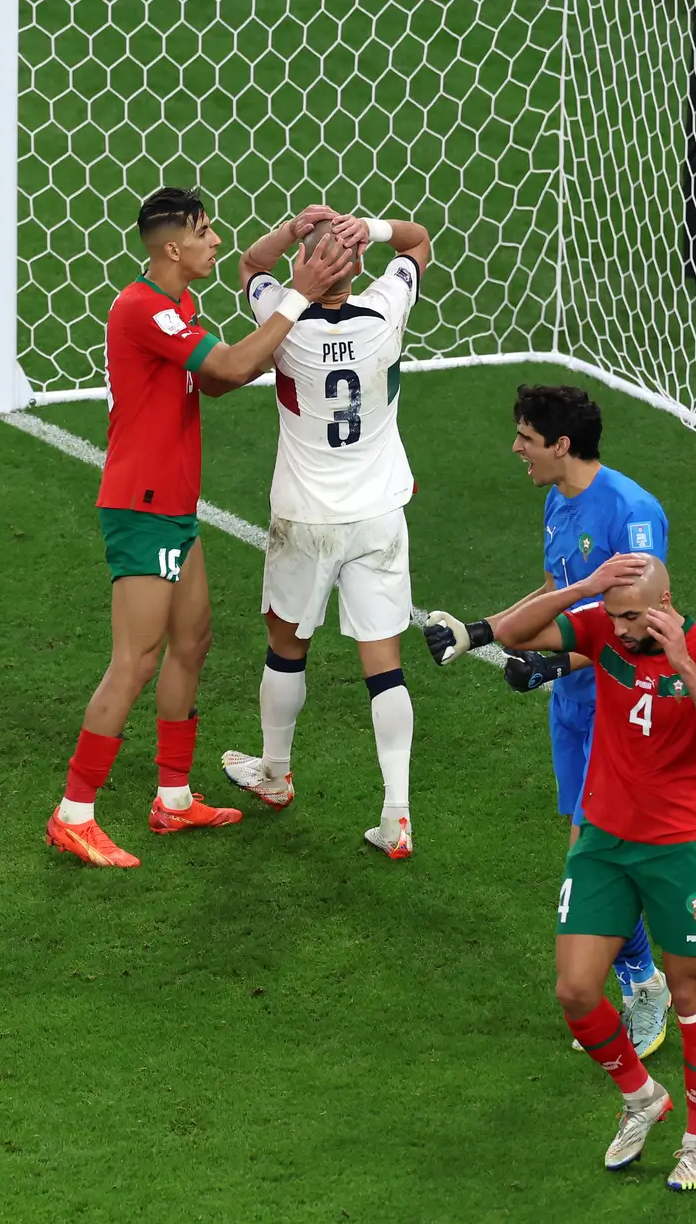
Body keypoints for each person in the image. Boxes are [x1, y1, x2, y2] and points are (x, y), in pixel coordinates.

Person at [45, 188, 353, 869]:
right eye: (204, 232)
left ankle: (174, 798)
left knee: (193, 641)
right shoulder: (142, 308)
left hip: (174, 506)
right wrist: (297, 297)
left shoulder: (177, 306)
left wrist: (284, 298)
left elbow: (212, 380)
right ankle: (74, 812)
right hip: (142, 505)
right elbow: (232, 367)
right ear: (172, 248)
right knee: (136, 660)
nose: (215, 241)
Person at [421, 386, 672, 1058]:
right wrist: (486, 633)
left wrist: (557, 663)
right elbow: (553, 592)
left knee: (592, 851)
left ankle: (644, 982)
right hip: (574, 710)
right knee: (594, 850)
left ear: (561, 445)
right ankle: (641, 974)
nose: (517, 449)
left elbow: (645, 622)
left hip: (619, 708)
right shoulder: (558, 500)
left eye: (526, 438)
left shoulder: (632, 512)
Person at [490, 552, 696, 1192]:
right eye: (615, 614)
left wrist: (682, 660)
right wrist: (584, 589)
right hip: (603, 840)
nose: (621, 627)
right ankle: (641, 1096)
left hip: (679, 847)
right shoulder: (604, 625)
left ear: (665, 603)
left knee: (691, 997)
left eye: (633, 616)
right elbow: (511, 634)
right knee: (576, 991)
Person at [212, 207, 431, 858]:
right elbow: (419, 240)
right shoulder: (387, 308)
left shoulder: (283, 318)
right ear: (357, 264)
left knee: (286, 650)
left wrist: (289, 232)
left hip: (304, 517)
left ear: (306, 266)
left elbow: (249, 265)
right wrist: (373, 226)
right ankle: (396, 815)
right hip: (378, 516)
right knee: (384, 669)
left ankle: (275, 775)